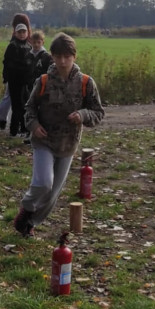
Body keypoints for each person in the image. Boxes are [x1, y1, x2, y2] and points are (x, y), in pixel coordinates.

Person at [13, 33, 104, 237]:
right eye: (58, 56)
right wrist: (34, 125)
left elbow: (98, 112)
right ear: (52, 56)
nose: (62, 61)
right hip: (43, 141)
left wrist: (82, 114)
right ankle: (26, 208)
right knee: (44, 182)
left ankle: (30, 223)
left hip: (67, 145)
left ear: (74, 56)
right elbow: (29, 108)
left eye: (67, 56)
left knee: (53, 192)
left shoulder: (86, 83)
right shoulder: (43, 81)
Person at [1, 14, 34, 137]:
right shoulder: (12, 46)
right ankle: (13, 131)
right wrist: (7, 76)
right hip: (15, 80)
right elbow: (8, 63)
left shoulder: (29, 46)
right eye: (19, 32)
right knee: (16, 106)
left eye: (23, 32)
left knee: (25, 105)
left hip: (26, 81)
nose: (21, 34)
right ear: (15, 33)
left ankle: (24, 129)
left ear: (27, 33)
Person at [23, 30, 54, 143]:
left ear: (42, 42)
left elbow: (50, 72)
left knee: (42, 110)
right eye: (34, 42)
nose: (36, 45)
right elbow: (25, 71)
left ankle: (41, 133)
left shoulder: (46, 57)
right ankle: (29, 133)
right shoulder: (28, 55)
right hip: (30, 87)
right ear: (30, 42)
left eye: (38, 42)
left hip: (42, 87)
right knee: (30, 110)